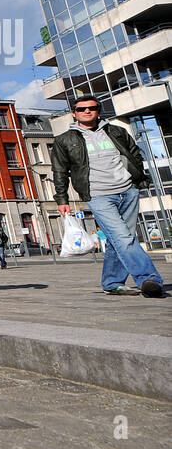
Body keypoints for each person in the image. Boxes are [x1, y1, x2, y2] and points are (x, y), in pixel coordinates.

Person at [51, 94, 165, 297]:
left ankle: (112, 282)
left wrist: (138, 178)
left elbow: (134, 154)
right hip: (98, 194)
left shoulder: (117, 132)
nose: (87, 111)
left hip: (128, 190)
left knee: (118, 239)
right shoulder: (64, 140)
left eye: (92, 108)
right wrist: (62, 199)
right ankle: (149, 279)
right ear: (74, 113)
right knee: (123, 237)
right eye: (81, 109)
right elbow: (60, 170)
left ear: (99, 110)